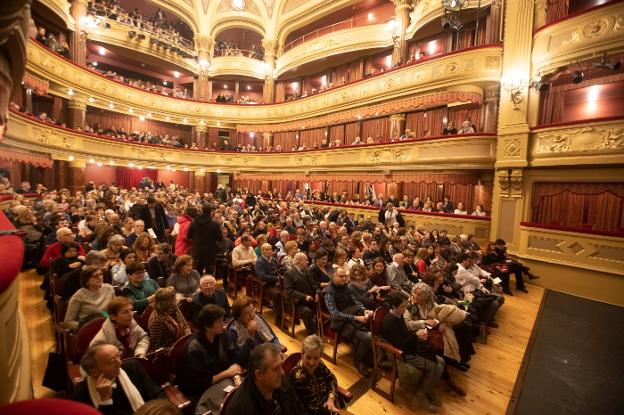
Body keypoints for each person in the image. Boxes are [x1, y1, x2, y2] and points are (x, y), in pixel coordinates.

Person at [381, 291, 445, 413]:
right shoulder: (389, 322)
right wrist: (416, 335)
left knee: (441, 362)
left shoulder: (398, 315)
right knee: (434, 366)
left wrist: (418, 336)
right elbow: (400, 345)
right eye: (402, 307)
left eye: (406, 305)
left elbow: (405, 334)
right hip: (402, 354)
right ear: (393, 306)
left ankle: (427, 390)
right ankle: (420, 397)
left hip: (410, 347)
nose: (405, 309)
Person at [177, 304, 242, 414]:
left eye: (223, 320)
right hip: (198, 391)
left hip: (223, 380)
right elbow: (197, 383)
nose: (223, 325)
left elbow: (233, 357)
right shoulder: (194, 348)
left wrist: (236, 377)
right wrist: (227, 373)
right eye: (219, 322)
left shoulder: (222, 334)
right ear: (207, 327)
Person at [72, 343, 162, 414]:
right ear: (94, 371)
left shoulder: (132, 367)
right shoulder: (82, 392)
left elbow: (156, 394)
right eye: (112, 361)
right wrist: (105, 400)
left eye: (118, 356)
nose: (120, 363)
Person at [221, 343, 308, 415]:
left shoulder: (280, 380)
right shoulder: (241, 409)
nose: (282, 372)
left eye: (280, 366)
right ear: (259, 374)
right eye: (275, 369)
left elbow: (298, 409)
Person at [322, 266, 372, 377]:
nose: (344, 278)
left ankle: (367, 355)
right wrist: (356, 318)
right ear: (333, 276)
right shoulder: (328, 292)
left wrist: (364, 310)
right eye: (341, 276)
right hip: (341, 322)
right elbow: (335, 314)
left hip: (353, 315)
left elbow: (355, 301)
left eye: (345, 276)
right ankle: (358, 361)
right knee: (368, 337)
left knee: (373, 327)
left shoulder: (345, 287)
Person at [289, 335, 340, 415]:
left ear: (320, 357)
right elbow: (314, 407)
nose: (312, 363)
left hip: (329, 404)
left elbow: (332, 379)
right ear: (302, 355)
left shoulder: (320, 364)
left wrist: (331, 398)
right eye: (308, 357)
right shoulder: (299, 377)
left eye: (315, 358)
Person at [228, 296, 283, 365]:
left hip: (268, 354)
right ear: (239, 317)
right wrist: (250, 336)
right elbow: (239, 359)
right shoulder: (233, 332)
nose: (252, 315)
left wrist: (277, 351)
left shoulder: (258, 317)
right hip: (253, 363)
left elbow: (274, 338)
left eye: (252, 310)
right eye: (247, 313)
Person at [64, 266, 115, 330]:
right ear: (86, 281)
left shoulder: (109, 288)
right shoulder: (79, 296)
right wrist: (87, 327)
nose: (99, 277)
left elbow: (112, 310)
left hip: (105, 323)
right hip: (87, 326)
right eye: (95, 276)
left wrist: (106, 319)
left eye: (101, 274)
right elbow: (68, 322)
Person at [284, 252, 318, 335]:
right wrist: (304, 296)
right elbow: (289, 291)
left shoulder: (306, 271)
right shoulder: (289, 274)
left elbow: (314, 284)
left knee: (324, 305)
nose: (308, 262)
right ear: (298, 261)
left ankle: (322, 330)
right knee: (307, 312)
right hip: (297, 302)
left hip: (311, 299)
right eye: (306, 260)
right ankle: (312, 334)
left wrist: (317, 292)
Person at [255, 243, 282, 324]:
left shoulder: (274, 259)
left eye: (270, 249)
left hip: (277, 282)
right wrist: (277, 279)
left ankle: (287, 313)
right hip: (266, 285)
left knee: (288, 291)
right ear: (262, 251)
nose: (269, 251)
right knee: (277, 294)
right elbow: (263, 276)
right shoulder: (260, 262)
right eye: (267, 249)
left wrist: (280, 277)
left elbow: (279, 270)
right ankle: (278, 319)